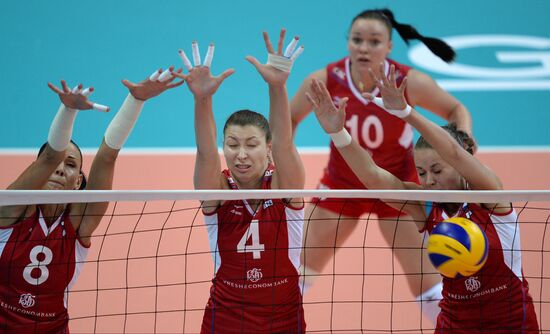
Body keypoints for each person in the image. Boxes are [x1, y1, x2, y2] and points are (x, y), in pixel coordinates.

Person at [307, 63, 539, 333]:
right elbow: (373, 177)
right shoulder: (425, 206)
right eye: (421, 172)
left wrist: (406, 112)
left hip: (513, 324)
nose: (429, 181)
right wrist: (338, 133)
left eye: (437, 171)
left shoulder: (489, 196)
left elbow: (452, 151)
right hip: (454, 326)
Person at [290, 8, 475, 321]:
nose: (364, 47)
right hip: (342, 186)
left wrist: (463, 148)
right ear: (347, 42)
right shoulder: (324, 80)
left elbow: (456, 109)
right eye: (357, 40)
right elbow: (290, 118)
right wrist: (281, 163)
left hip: (398, 188)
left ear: (389, 47)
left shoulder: (408, 81)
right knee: (294, 272)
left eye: (374, 41)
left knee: (429, 286)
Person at [0, 70, 183, 333]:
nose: (61, 170)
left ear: (78, 183)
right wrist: (68, 110)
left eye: (71, 165)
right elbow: (51, 156)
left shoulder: (79, 226)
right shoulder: (11, 210)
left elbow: (107, 157)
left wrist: (136, 100)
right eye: (56, 164)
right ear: (37, 171)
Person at [173, 30, 306, 333]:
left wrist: (277, 87)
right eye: (232, 144)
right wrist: (203, 98)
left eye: (251, 144)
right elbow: (206, 152)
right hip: (226, 317)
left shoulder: (285, 186)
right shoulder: (218, 191)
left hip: (284, 319)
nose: (241, 155)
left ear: (267, 148)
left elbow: (285, 144)